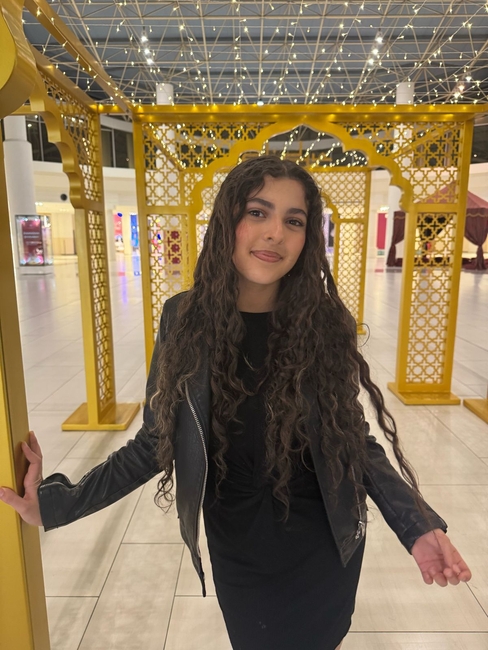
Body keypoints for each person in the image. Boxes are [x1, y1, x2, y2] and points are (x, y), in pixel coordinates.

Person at [0, 156, 472, 650]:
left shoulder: (324, 322)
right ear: (228, 221)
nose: (275, 233)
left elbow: (351, 440)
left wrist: (416, 525)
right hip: (236, 539)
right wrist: (56, 504)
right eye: (257, 212)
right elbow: (154, 443)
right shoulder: (184, 319)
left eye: (294, 221)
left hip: (325, 540)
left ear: (307, 239)